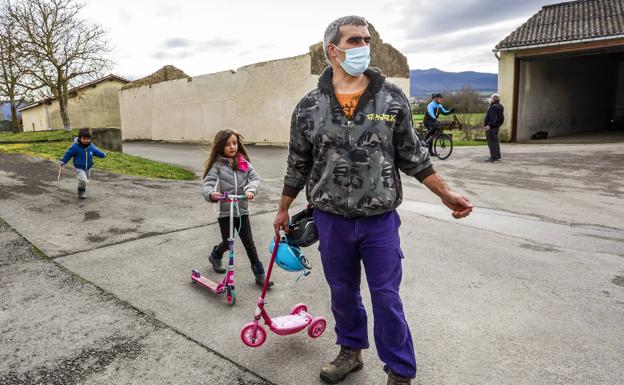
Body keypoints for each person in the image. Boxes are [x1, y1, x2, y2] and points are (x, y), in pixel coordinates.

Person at [272, 16, 473, 385]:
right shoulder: (309, 106)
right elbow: (298, 161)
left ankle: (399, 370)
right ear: (333, 50)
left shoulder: (390, 97)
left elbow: (413, 155)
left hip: (379, 220)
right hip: (330, 219)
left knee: (386, 297)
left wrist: (446, 193)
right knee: (342, 292)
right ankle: (350, 352)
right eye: (355, 40)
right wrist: (283, 207)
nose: (365, 46)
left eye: (367, 39)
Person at [202, 129, 273, 287]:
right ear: (220, 147)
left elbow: (255, 179)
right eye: (227, 145)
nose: (232, 147)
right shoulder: (217, 165)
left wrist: (250, 190)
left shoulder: (243, 162)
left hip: (241, 209)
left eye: (234, 143)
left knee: (249, 242)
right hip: (225, 211)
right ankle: (215, 255)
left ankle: (260, 274)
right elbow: (207, 184)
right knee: (229, 242)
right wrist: (212, 194)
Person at [59, 128, 106, 199]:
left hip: (88, 167)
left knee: (86, 181)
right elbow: (68, 154)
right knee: (83, 181)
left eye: (88, 139)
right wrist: (63, 161)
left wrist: (103, 155)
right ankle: (80, 191)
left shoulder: (91, 146)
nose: (86, 140)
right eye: (84, 138)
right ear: (80, 138)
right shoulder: (75, 147)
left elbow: (96, 151)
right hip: (79, 167)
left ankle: (82, 189)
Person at [483, 93, 504, 162]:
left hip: (491, 128)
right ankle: (498, 156)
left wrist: (489, 125)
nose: (490, 99)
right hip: (496, 127)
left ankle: (493, 157)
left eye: (491, 98)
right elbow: (501, 118)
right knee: (495, 142)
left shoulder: (494, 107)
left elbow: (493, 118)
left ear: (494, 99)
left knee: (491, 142)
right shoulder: (500, 106)